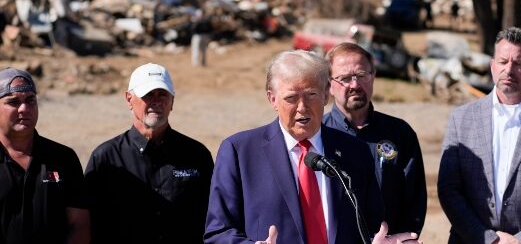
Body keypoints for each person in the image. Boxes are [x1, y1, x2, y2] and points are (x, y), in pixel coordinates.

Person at [204, 50, 422, 244]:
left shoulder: (355, 151)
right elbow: (218, 233)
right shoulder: (240, 152)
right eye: (291, 98)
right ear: (272, 99)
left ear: (325, 95)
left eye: (311, 95)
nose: (302, 108)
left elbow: (373, 228)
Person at [437, 27, 521, 244]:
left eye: (518, 63)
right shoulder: (462, 119)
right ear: (492, 66)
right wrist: (487, 239)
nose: (509, 70)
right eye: (503, 62)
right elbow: (449, 188)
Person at [85, 63, 214, 244]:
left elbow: (214, 219)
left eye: (162, 94)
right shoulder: (106, 159)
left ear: (172, 101)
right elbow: (86, 224)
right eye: (148, 94)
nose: (156, 101)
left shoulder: (197, 156)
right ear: (129, 99)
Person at [323, 42, 427, 234]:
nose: (355, 85)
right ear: (330, 85)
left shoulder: (400, 133)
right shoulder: (318, 134)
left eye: (362, 75)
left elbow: (414, 200)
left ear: (373, 77)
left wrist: (403, 239)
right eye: (344, 78)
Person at [0, 68, 90, 243]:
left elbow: (80, 225)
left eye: (30, 100)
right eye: (13, 102)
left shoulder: (63, 158)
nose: (24, 108)